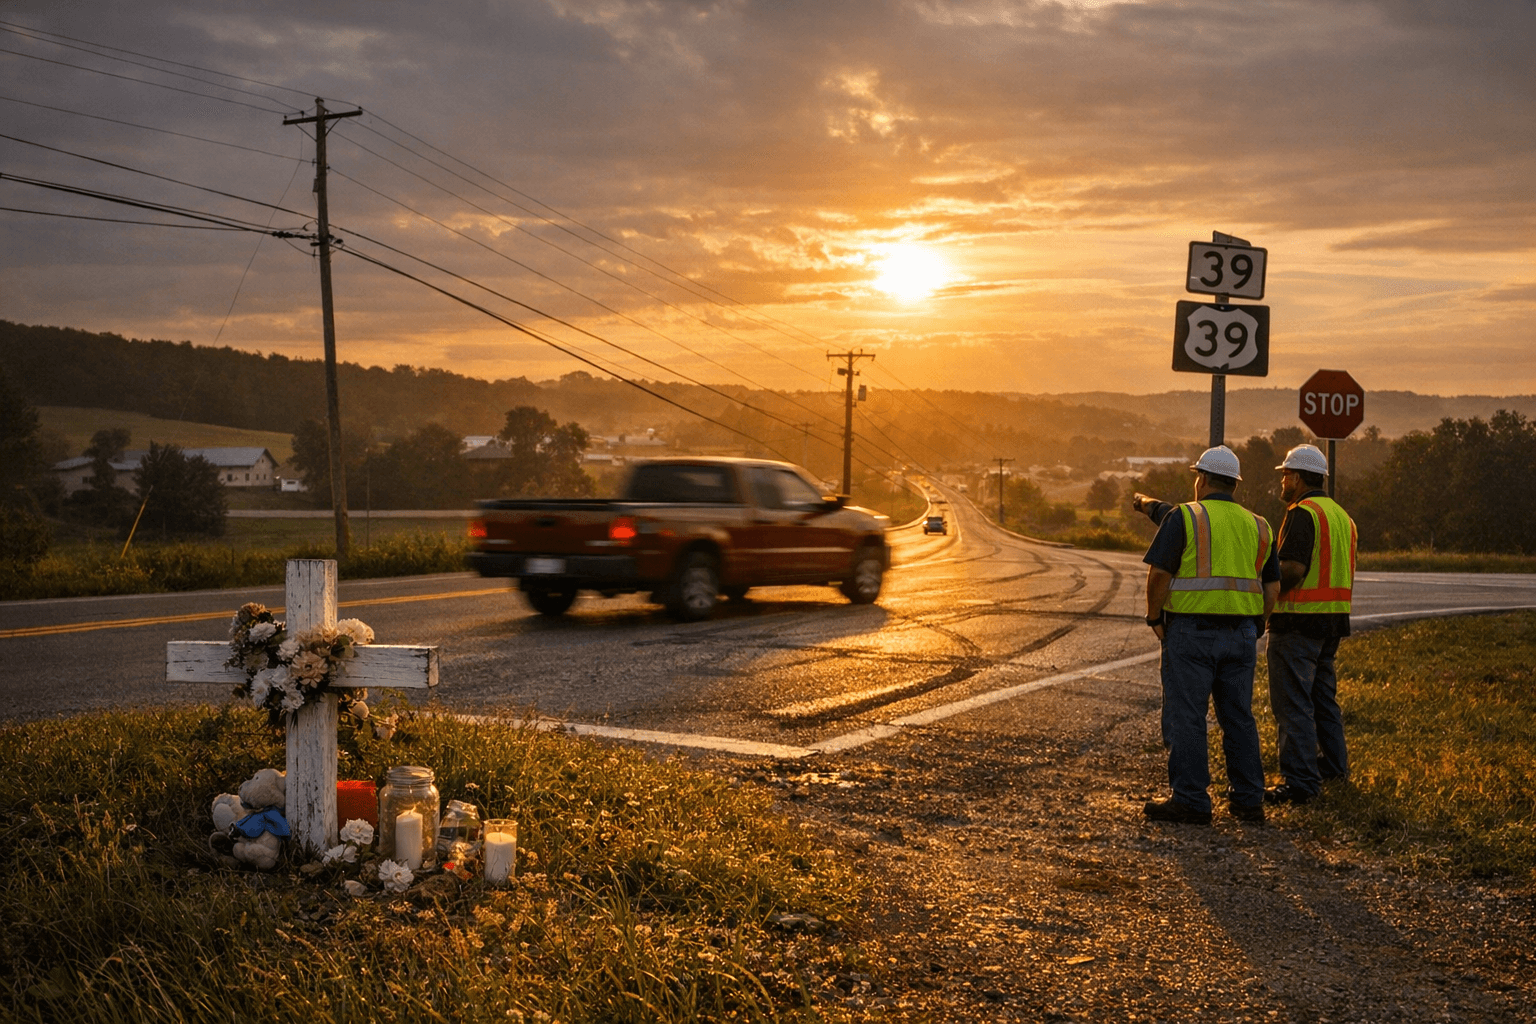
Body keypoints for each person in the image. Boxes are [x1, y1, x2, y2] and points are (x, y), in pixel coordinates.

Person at [1131, 445, 1280, 825]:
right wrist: (1259, 623)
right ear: (1233, 484)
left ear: (1202, 479)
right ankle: (1248, 800)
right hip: (1242, 634)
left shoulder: (1186, 516)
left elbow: (1160, 574)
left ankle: (1192, 800)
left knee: (1188, 717)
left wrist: (1154, 618)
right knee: (1239, 718)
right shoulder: (1259, 524)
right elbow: (1273, 584)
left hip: (1191, 633)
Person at [1265, 444, 1358, 805]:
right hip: (1332, 623)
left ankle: (1301, 782)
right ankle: (1333, 768)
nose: (1283, 480)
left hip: (1297, 621)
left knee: (1293, 704)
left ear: (1300, 477)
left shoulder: (1302, 512)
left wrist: (1265, 583)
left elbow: (1292, 569)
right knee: (1323, 700)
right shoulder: (1341, 517)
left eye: (1286, 474)